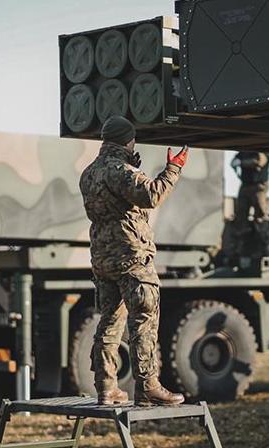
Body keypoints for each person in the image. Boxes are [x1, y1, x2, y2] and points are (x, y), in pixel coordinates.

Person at [79, 115, 188, 407]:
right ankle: (148, 385)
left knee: (110, 323)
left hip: (103, 258)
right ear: (128, 140)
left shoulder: (88, 173)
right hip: (131, 256)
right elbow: (151, 195)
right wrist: (174, 169)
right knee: (144, 320)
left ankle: (106, 387)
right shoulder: (120, 170)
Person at [229, 151, 269, 265]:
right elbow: (235, 160)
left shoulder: (264, 148)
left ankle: (265, 251)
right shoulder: (245, 150)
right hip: (245, 185)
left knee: (261, 218)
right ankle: (241, 251)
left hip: (259, 185)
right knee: (241, 218)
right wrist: (236, 162)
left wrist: (241, 163)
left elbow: (259, 161)